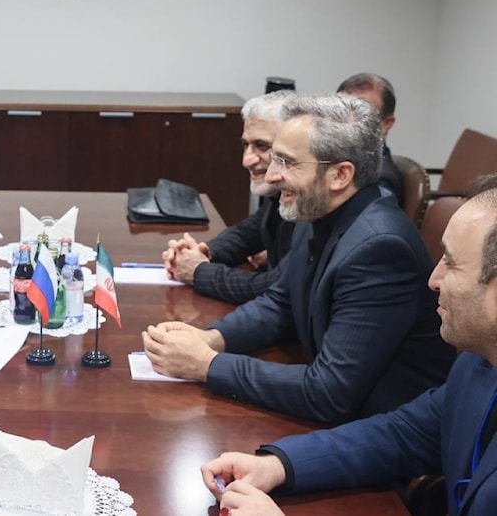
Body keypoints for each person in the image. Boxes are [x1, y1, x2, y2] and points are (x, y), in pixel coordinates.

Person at [142, 94, 454, 423]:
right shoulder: (317, 212)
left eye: (287, 162)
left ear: (340, 175)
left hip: (381, 435)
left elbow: (329, 393)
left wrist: (206, 364)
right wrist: (211, 338)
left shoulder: (381, 250)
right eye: (274, 159)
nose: (273, 176)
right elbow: (281, 303)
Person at [200, 178, 497, 516]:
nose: (433, 279)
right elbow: (404, 435)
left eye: (452, 263)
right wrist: (279, 465)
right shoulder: (478, 363)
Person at [163, 90, 296, 304]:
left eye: (261, 146)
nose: (247, 160)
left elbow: (275, 288)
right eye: (246, 145)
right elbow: (248, 233)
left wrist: (198, 271)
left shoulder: (311, 202)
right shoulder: (280, 193)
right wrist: (204, 251)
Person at [337, 72, 403, 206]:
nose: (347, 122)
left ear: (386, 124)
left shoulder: (381, 181)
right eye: (341, 111)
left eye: (361, 115)